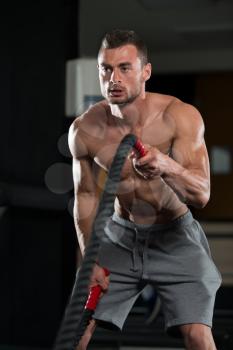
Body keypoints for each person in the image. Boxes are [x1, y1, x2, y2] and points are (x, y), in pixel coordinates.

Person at [68, 29, 222, 350]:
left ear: (145, 72)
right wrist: (88, 259)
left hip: (176, 237)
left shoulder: (179, 116)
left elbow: (202, 194)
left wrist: (167, 166)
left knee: (197, 335)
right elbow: (84, 197)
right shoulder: (85, 129)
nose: (114, 78)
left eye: (125, 68)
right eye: (106, 68)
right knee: (77, 330)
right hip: (120, 237)